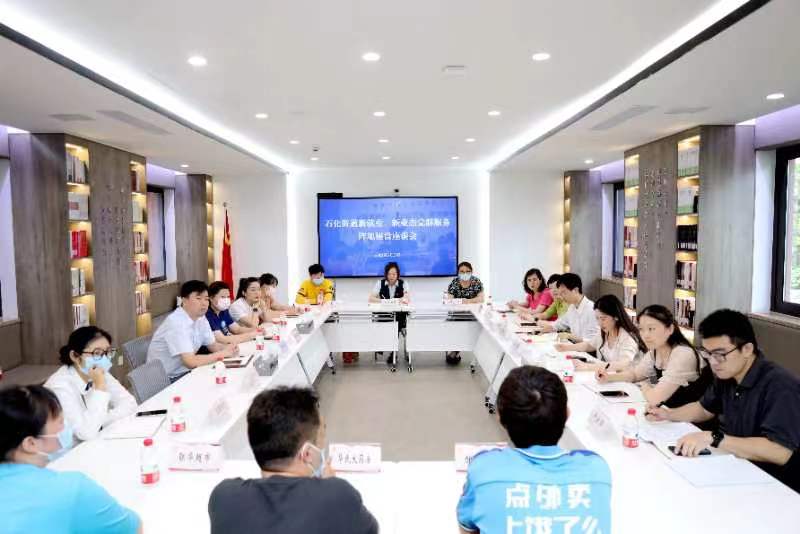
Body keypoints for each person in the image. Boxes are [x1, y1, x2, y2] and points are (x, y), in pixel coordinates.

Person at [648, 309, 800, 492]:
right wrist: (668, 414)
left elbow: (780, 451)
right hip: (737, 468)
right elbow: (704, 409)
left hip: (776, 486)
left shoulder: (780, 385)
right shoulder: (727, 374)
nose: (713, 362)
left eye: (720, 355)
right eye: (708, 354)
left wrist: (714, 438)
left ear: (747, 349)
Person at [457, 366, 611, 533]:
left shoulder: (484, 469)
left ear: (500, 418)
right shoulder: (597, 469)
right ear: (567, 415)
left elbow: (467, 528)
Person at [208, 387, 378, 533]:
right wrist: (329, 483)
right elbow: (371, 530)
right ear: (307, 454)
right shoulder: (337, 495)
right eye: (320, 439)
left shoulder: (223, 497)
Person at [0, 385, 141, 533]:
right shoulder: (71, 489)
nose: (65, 428)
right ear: (31, 443)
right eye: (60, 423)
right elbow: (134, 529)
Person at [596, 304, 711, 408]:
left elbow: (655, 399)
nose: (645, 335)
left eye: (651, 329)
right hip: (668, 415)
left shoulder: (683, 353)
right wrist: (609, 377)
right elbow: (635, 374)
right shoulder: (655, 351)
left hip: (692, 423)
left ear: (670, 329)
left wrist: (644, 386)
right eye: (641, 329)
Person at [44, 326, 137, 443]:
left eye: (107, 352)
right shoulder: (59, 387)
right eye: (97, 353)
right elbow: (86, 433)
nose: (105, 359)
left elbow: (130, 403)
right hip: (69, 452)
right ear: (75, 356)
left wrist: (100, 422)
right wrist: (100, 387)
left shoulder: (98, 371)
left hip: (96, 440)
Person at [147, 280, 237, 382]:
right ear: (184, 300)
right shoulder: (176, 323)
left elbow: (213, 346)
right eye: (198, 298)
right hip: (166, 380)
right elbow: (190, 362)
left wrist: (229, 348)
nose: (204, 303)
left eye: (206, 299)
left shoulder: (201, 318)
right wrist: (223, 353)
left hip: (187, 372)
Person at [555, 294, 645, 372]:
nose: (599, 323)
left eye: (603, 318)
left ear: (616, 317)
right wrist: (566, 347)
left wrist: (588, 367)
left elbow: (621, 365)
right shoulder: (605, 332)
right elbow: (589, 345)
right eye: (597, 318)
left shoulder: (627, 338)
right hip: (611, 378)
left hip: (632, 385)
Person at [537, 273, 600, 342]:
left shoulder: (591, 309)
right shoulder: (572, 307)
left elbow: (593, 342)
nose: (562, 297)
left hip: (588, 351)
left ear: (575, 290)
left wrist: (570, 336)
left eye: (564, 293)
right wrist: (543, 330)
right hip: (577, 348)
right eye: (560, 293)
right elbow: (559, 324)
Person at [369, 262, 410, 365]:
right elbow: (371, 299)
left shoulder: (403, 283)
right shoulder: (380, 283)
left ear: (398, 275)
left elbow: (407, 298)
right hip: (384, 316)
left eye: (394, 274)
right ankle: (390, 350)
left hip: (399, 317)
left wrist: (398, 300)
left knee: (396, 324)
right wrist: (384, 302)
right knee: (388, 325)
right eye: (389, 274)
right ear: (386, 274)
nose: (392, 276)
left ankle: (393, 352)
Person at [445, 261, 485, 365]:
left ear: (472, 272)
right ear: (458, 272)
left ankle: (477, 352)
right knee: (454, 326)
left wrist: (467, 301)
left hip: (473, 314)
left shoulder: (476, 282)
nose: (465, 273)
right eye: (462, 271)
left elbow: (481, 298)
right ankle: (455, 349)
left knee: (475, 328)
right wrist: (460, 302)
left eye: (468, 271)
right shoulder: (454, 282)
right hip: (457, 313)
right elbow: (450, 299)